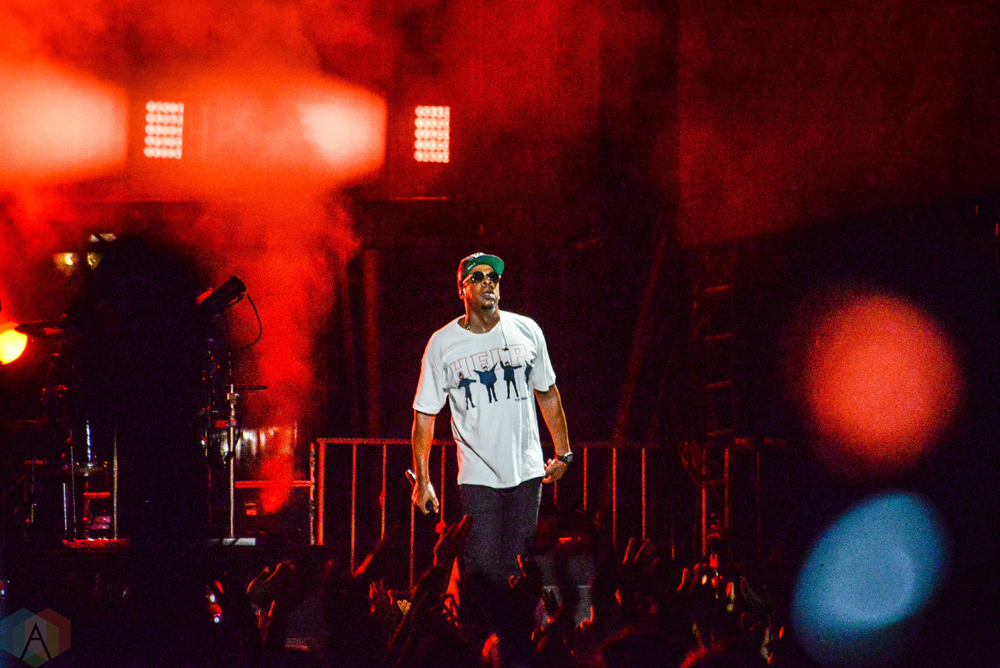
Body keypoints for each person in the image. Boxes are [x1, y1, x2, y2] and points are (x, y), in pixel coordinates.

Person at [410, 252, 572, 643]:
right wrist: (424, 480)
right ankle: (482, 646)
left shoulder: (526, 330)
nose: (488, 282)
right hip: (478, 476)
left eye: (494, 277)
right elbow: (425, 415)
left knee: (518, 568)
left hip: (527, 472)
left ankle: (517, 648)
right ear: (461, 288)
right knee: (482, 570)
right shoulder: (443, 343)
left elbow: (548, 393)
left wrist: (564, 452)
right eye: (478, 276)